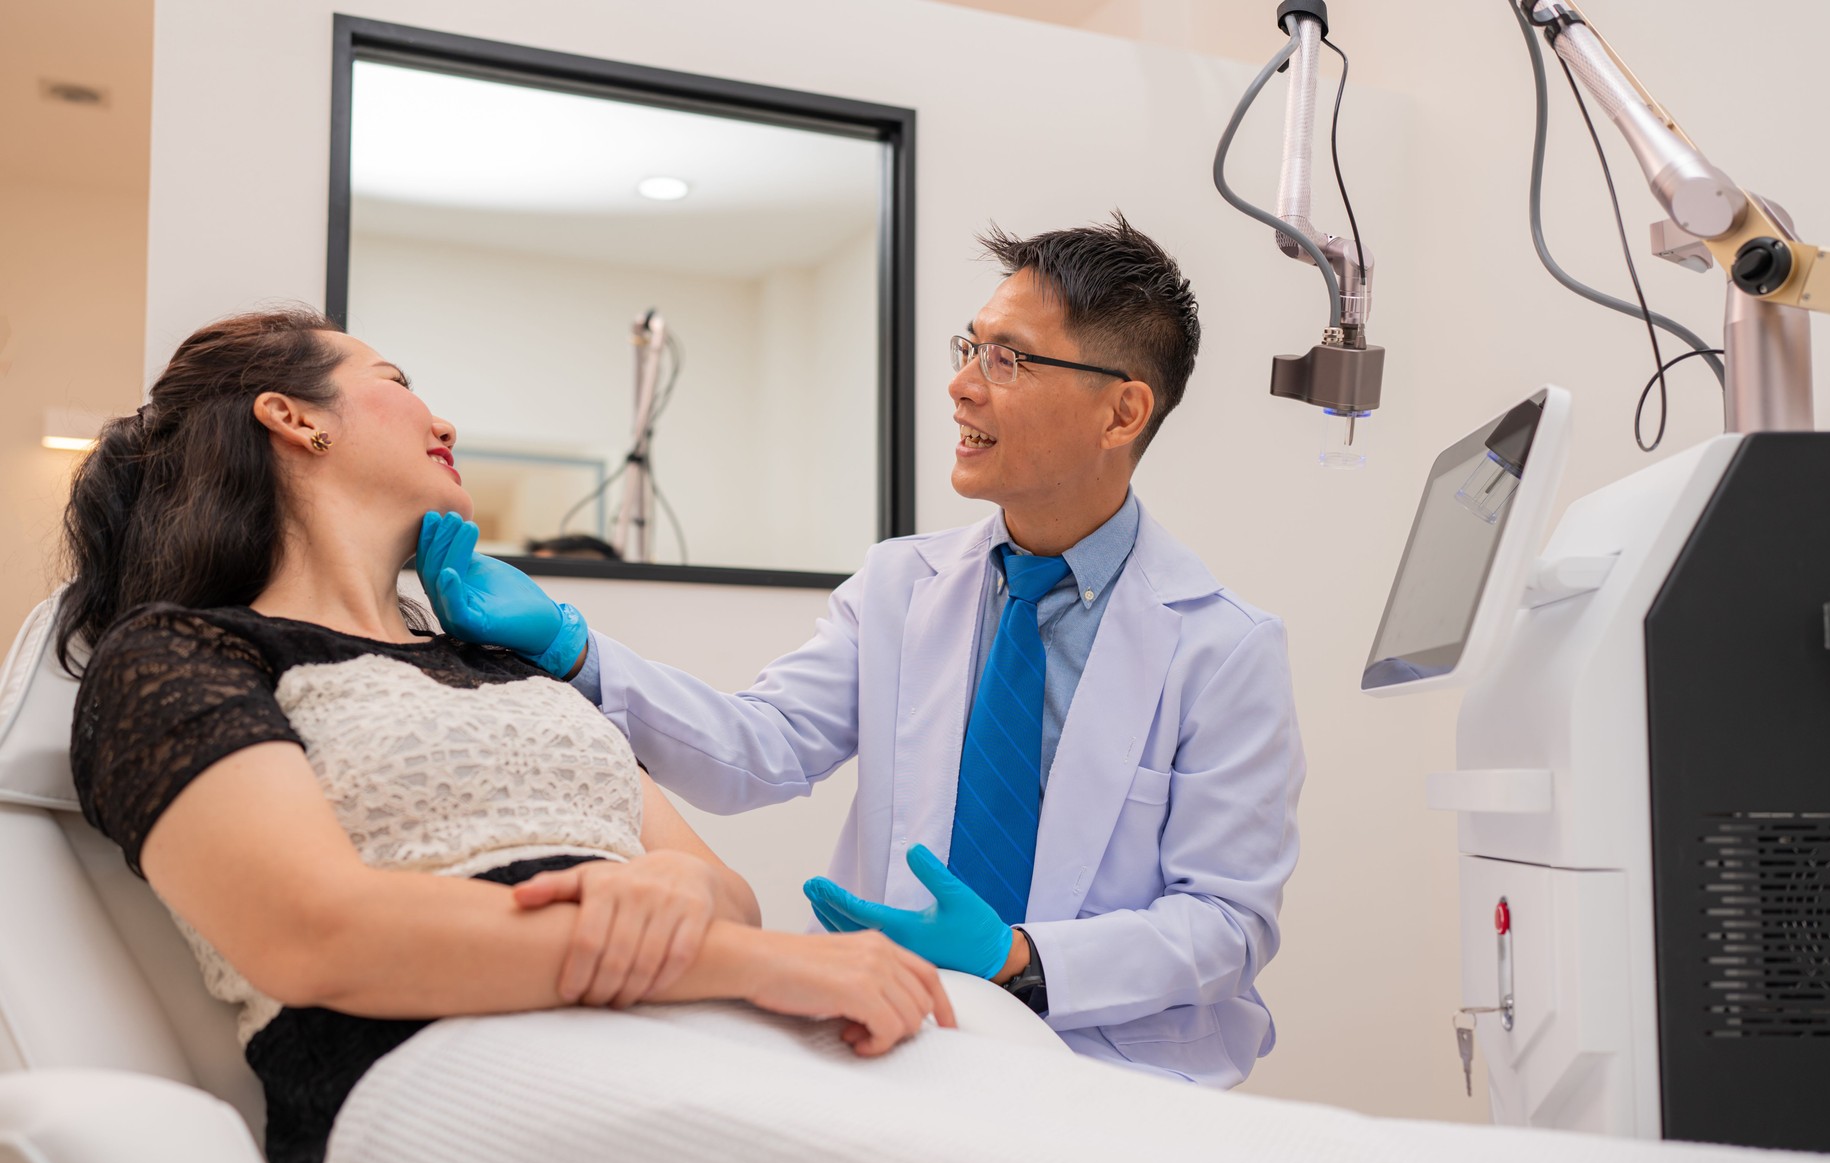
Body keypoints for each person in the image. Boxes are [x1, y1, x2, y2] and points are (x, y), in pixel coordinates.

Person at [60, 308, 954, 1163]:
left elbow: (722, 886)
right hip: (461, 1091)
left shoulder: (511, 666)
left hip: (700, 1037)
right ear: (294, 418)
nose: (443, 425)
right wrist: (733, 959)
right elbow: (317, 933)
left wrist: (682, 899)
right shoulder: (177, 654)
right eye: (399, 381)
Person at [418, 214, 1306, 1088]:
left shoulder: (1222, 647)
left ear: (1122, 411)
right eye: (970, 345)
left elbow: (1226, 923)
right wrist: (578, 652)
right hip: (892, 1027)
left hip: (1105, 1062)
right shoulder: (898, 586)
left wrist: (1021, 957)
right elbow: (756, 750)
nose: (961, 385)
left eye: (1009, 357)